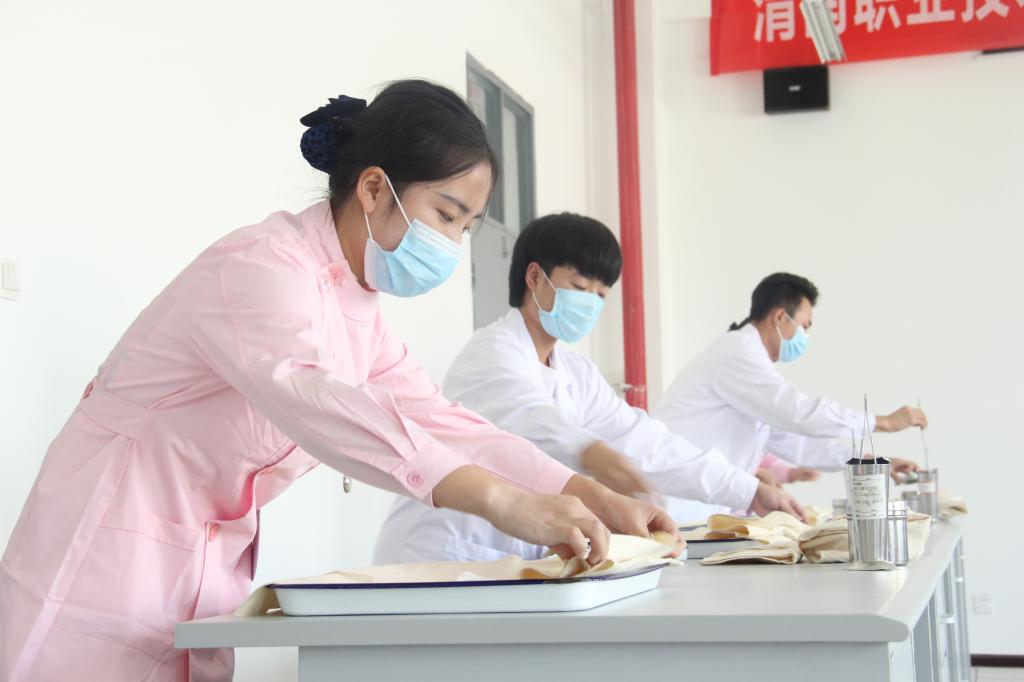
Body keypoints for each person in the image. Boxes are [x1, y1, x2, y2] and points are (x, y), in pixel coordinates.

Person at [0, 82, 675, 682]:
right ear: (374, 189)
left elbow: (441, 420)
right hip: (103, 547)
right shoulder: (263, 266)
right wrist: (503, 501)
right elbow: (321, 405)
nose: (452, 244)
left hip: (199, 562)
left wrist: (585, 492)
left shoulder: (358, 310)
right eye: (445, 215)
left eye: (467, 227)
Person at [374, 213, 804, 565]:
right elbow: (528, 421)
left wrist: (748, 490)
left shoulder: (576, 373)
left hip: (508, 555)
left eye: (601, 294)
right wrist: (594, 454)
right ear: (535, 277)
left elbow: (645, 439)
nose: (591, 303)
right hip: (441, 551)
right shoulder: (491, 352)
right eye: (580, 288)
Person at [652, 272, 923, 519]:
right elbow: (799, 413)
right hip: (675, 503)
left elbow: (796, 442)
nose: (805, 336)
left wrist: (871, 462)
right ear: (780, 317)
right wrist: (882, 422)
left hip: (695, 505)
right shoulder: (738, 352)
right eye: (805, 326)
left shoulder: (751, 367)